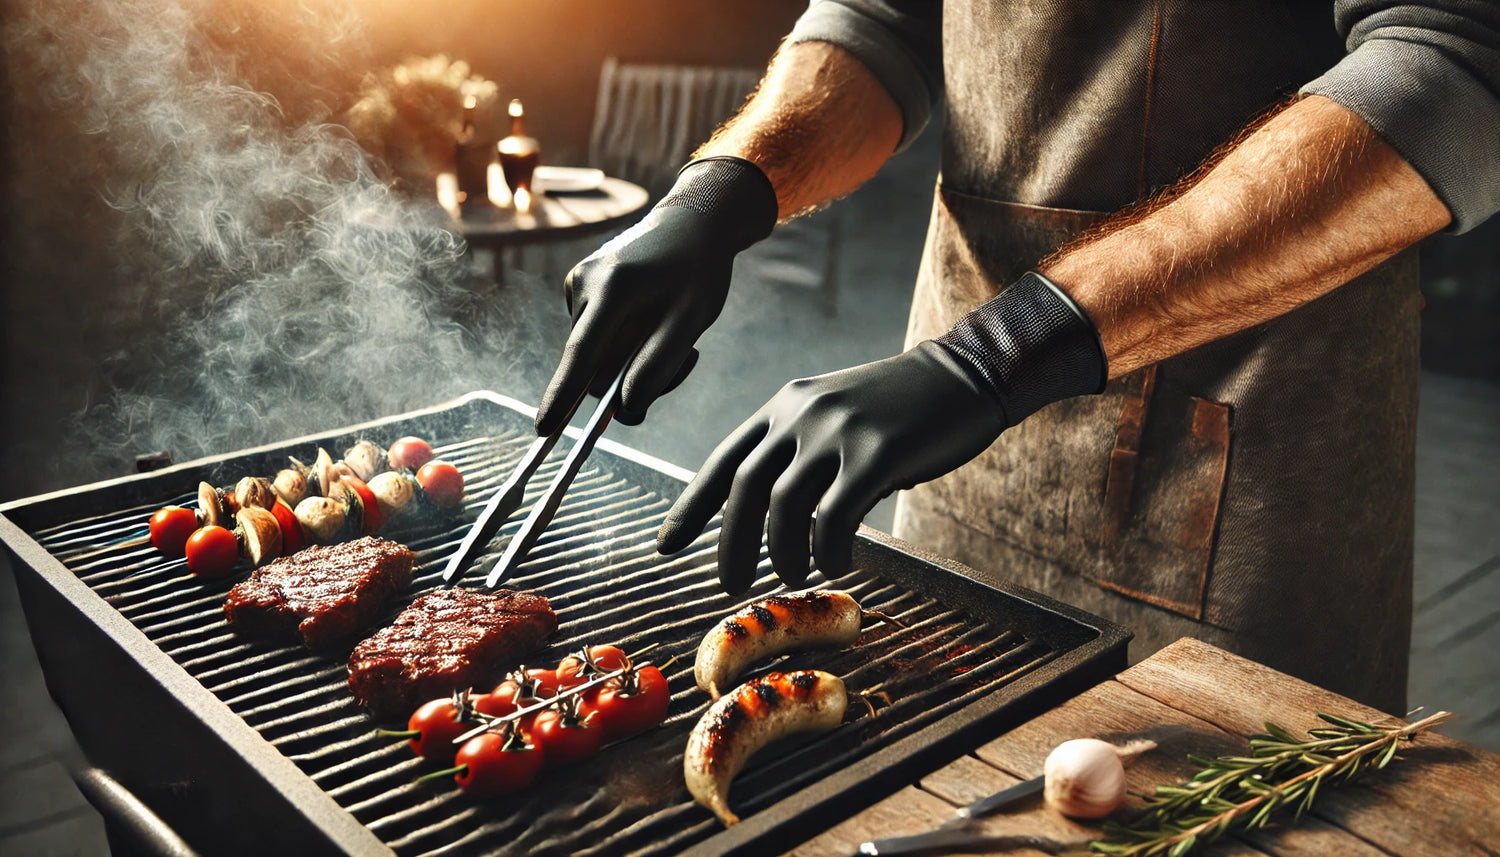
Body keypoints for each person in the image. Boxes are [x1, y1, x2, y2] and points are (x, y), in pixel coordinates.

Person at [537, 1, 1499, 713]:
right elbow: (885, 20)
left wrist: (999, 353)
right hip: (950, 424)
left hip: (1242, 440)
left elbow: (1454, 70)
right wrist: (722, 192)